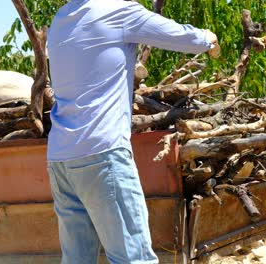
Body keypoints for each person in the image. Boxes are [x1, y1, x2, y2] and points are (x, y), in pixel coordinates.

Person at [46, 0, 219, 263]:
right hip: (102, 154)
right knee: (133, 258)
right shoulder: (118, 10)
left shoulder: (62, 17)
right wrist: (208, 38)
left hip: (60, 159)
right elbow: (181, 38)